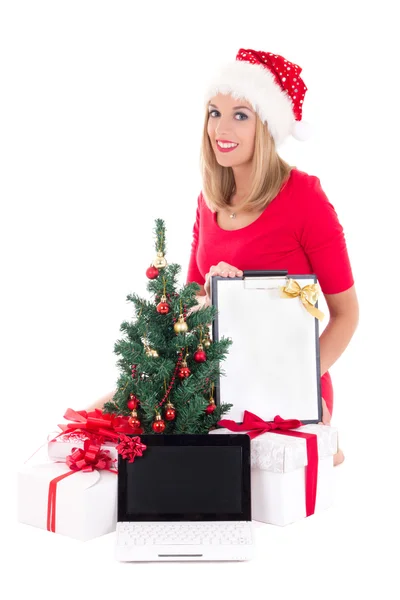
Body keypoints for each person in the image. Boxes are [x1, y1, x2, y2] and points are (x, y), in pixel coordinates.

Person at [186, 48, 359, 466]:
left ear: (266, 124)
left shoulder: (304, 198)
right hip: (217, 384)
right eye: (215, 112)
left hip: (289, 389)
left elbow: (347, 314)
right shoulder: (208, 202)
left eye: (240, 115)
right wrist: (208, 296)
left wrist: (296, 382)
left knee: (270, 481)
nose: (221, 128)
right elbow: (188, 302)